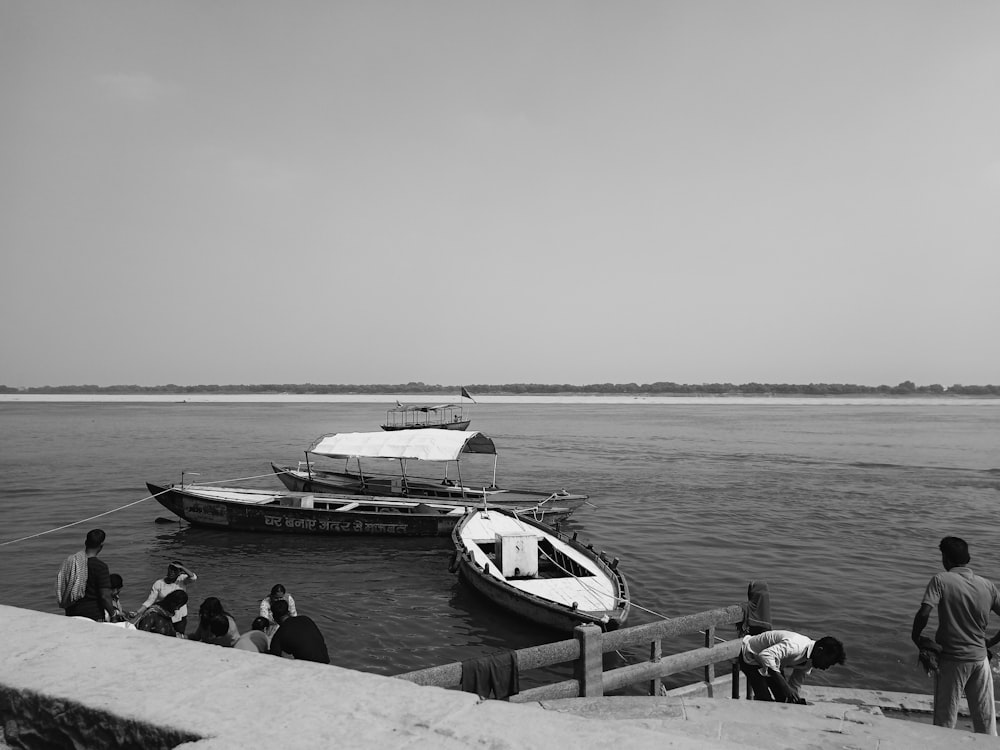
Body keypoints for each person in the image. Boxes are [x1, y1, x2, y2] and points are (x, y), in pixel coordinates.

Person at [912, 535, 1000, 735]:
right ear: (967, 558)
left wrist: (916, 637)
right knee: (986, 723)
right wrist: (991, 642)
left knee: (945, 724)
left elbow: (925, 612)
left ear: (946, 558)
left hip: (952, 661)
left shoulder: (941, 580)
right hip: (980, 661)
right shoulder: (987, 585)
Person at [738, 629, 846, 703]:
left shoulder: (811, 660)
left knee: (784, 699)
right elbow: (765, 655)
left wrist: (793, 697)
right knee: (765, 700)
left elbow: (796, 682)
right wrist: (785, 687)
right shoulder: (795, 646)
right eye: (828, 662)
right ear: (819, 651)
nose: (826, 667)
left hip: (774, 664)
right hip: (750, 656)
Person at [56, 529, 114, 622]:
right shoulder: (100, 567)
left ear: (86, 542)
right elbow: (105, 596)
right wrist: (113, 614)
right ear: (101, 546)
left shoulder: (71, 562)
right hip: (93, 615)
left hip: (71, 613)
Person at [134, 561, 198, 635]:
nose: (171, 572)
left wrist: (182, 567)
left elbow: (193, 577)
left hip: (180, 615)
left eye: (175, 570)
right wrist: (137, 612)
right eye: (170, 569)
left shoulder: (182, 580)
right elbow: (150, 601)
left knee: (179, 636)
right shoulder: (159, 583)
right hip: (165, 615)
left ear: (180, 572)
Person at [268, 599, 329, 664]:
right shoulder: (306, 619)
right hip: (326, 662)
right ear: (288, 612)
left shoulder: (279, 635)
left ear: (274, 617)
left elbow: (274, 659)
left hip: (309, 667)